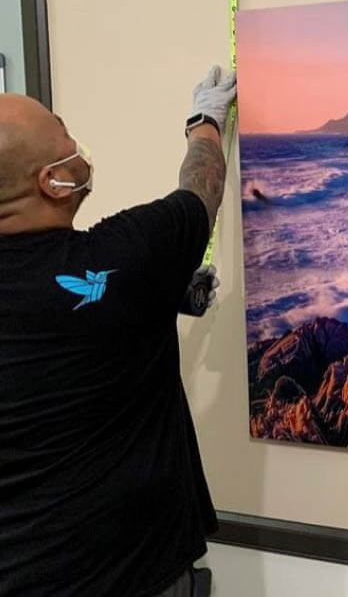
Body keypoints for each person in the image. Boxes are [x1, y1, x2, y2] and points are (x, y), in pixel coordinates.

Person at [0, 66, 236, 596]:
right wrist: (206, 119)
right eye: (64, 135)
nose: (78, 143)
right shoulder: (120, 258)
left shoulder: (119, 277)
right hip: (134, 577)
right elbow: (202, 188)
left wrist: (158, 295)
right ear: (54, 182)